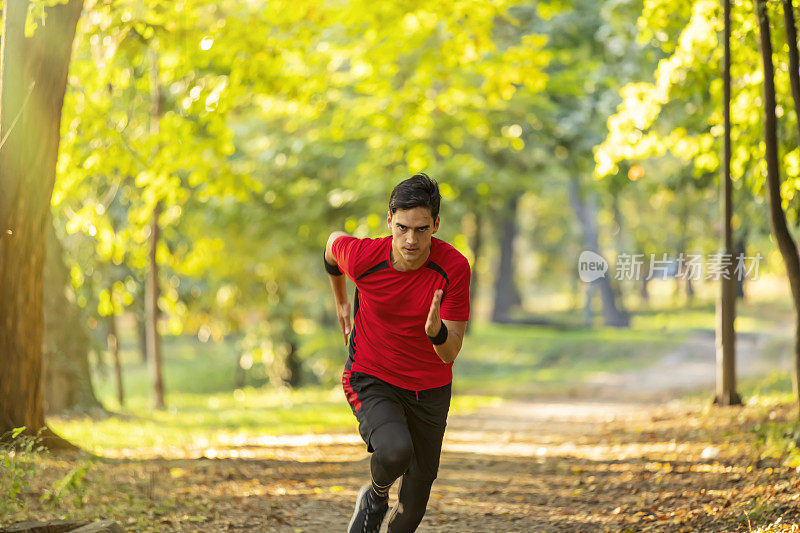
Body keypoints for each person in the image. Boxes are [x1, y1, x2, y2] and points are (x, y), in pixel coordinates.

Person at [323, 173, 471, 533]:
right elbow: (331, 245)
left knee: (414, 504)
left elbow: (449, 352)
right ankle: (374, 498)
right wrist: (342, 301)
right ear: (389, 220)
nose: (410, 239)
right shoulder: (363, 257)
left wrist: (434, 331)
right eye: (402, 227)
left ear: (436, 225)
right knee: (393, 451)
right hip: (372, 374)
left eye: (421, 229)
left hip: (430, 389)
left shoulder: (454, 268)